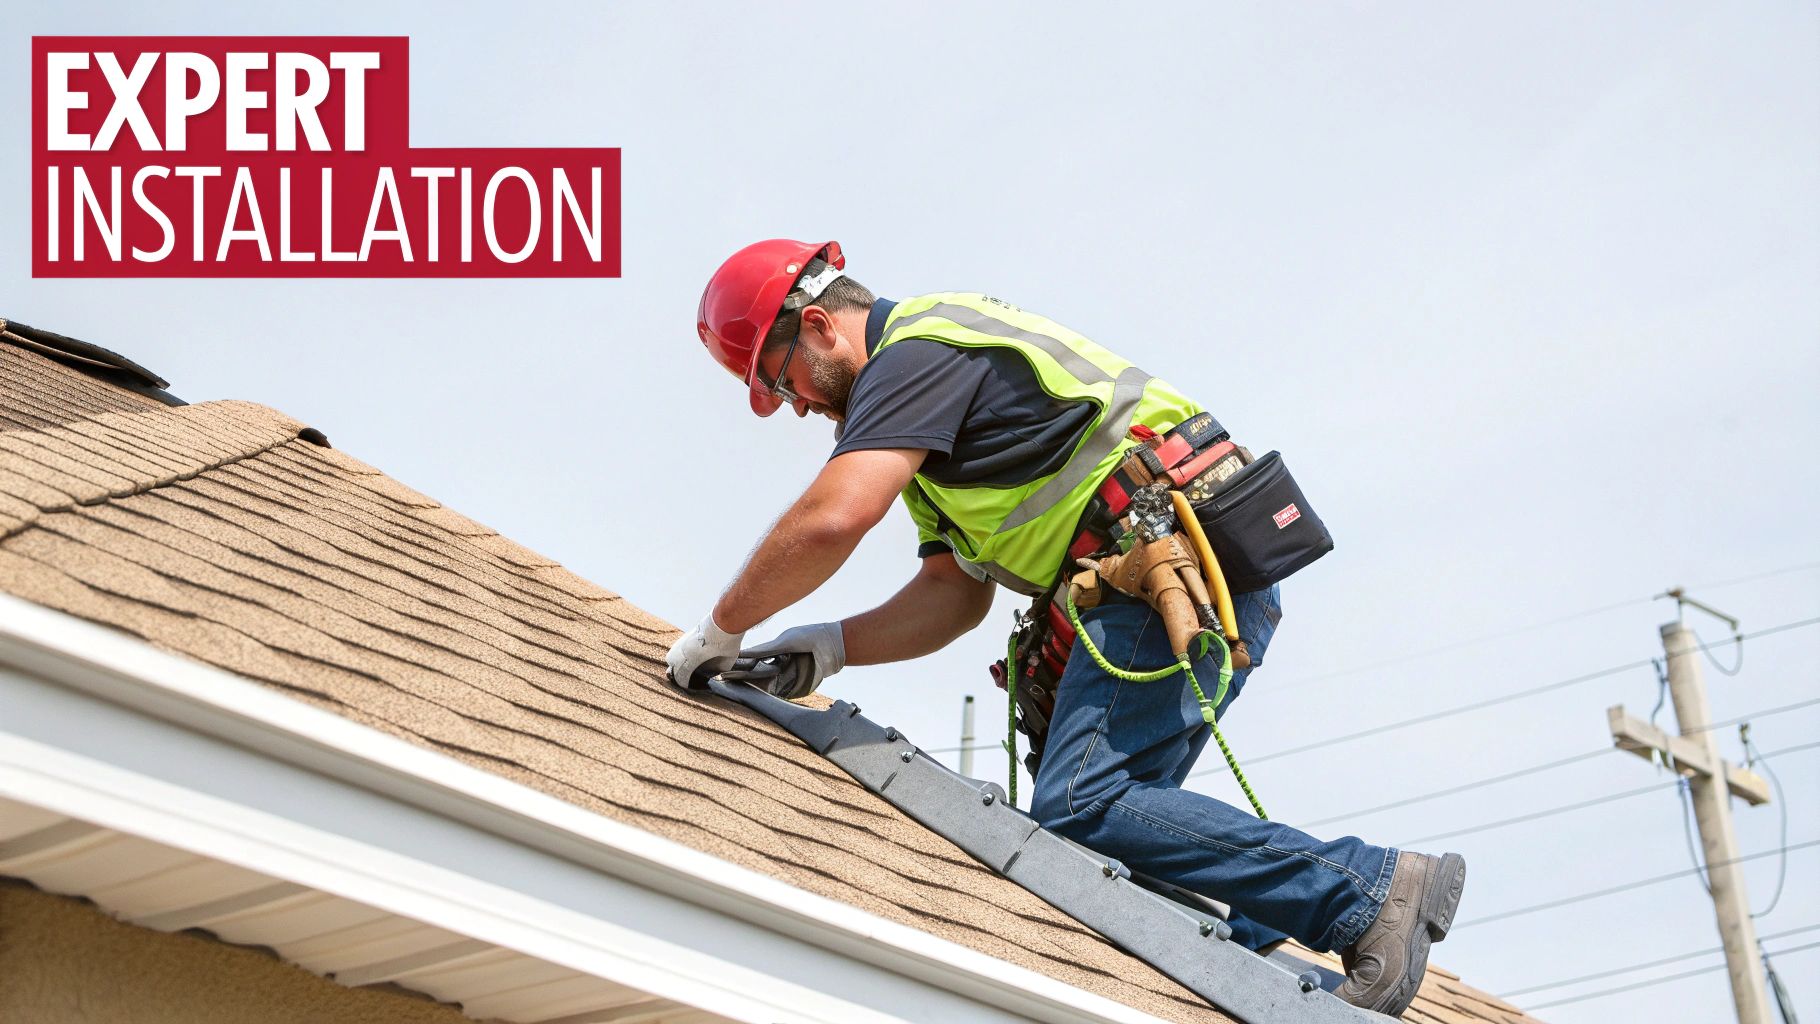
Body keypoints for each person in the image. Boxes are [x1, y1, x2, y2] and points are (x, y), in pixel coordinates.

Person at [667, 238, 1465, 1017]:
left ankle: (1366, 892)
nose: (800, 403)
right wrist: (831, 648)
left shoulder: (913, 356)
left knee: (1083, 802)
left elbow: (837, 515)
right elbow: (951, 594)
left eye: (785, 379)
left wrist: (721, 628)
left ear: (816, 326)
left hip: (1167, 566)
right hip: (1158, 577)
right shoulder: (922, 424)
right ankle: (1254, 943)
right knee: (1099, 838)